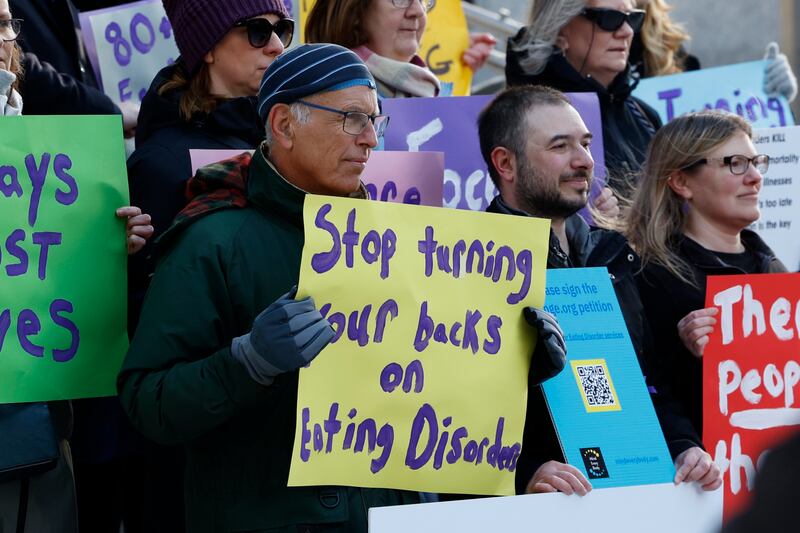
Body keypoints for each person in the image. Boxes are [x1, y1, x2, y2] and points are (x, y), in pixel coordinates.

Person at [477, 85, 722, 495]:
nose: (585, 161)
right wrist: (522, 473)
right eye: (561, 146)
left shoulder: (614, 257)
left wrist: (683, 446)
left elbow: (647, 381)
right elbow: (455, 413)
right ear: (506, 163)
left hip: (624, 495)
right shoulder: (471, 265)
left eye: (586, 144)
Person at [0, 3, 152, 531]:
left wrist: (103, 245)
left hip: (31, 429)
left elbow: (39, 266)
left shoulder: (28, 133)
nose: (2, 38)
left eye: (4, 23)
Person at [625, 110, 787, 447]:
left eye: (756, 162)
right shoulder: (651, 278)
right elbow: (642, 394)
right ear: (681, 182)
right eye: (735, 163)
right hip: (706, 482)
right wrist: (687, 358)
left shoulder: (776, 271)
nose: (755, 177)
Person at [505, 0, 660, 193]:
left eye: (634, 18)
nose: (627, 31)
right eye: (609, 18)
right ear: (560, 26)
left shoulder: (645, 115)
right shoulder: (519, 117)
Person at [305, 0, 496, 98]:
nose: (418, 11)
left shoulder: (439, 96)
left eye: (422, 0)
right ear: (355, 11)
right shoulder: (326, 94)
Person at [631, 0, 797, 105]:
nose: (622, 33)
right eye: (611, 19)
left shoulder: (672, 51)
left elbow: (709, 130)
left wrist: (769, 96)